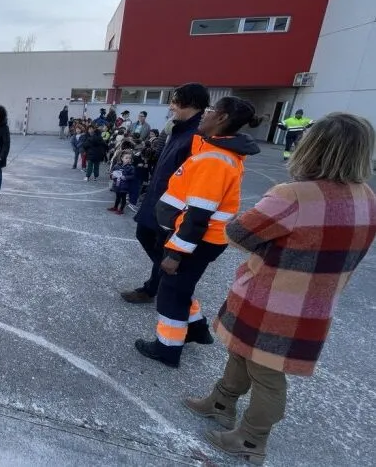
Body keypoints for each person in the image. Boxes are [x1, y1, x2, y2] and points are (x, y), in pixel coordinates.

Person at [185, 113, 376, 465]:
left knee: (267, 374)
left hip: (271, 297)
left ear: (314, 146)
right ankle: (221, 402)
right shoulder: (365, 196)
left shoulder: (294, 195)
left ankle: (251, 439)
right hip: (315, 302)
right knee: (244, 354)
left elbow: (239, 233)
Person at [134, 96, 262, 368]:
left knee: (171, 294)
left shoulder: (214, 160)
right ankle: (196, 328)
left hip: (195, 240)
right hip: (201, 239)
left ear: (222, 118)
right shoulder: (215, 151)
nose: (205, 114)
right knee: (181, 288)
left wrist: (176, 253)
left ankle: (166, 349)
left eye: (212, 110)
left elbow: (198, 215)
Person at [120, 83, 210, 304]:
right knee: (146, 235)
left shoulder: (197, 135)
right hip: (159, 197)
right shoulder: (179, 129)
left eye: (174, 101)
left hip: (172, 205)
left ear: (189, 102)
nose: (171, 106)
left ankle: (161, 286)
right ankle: (161, 282)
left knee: (163, 248)